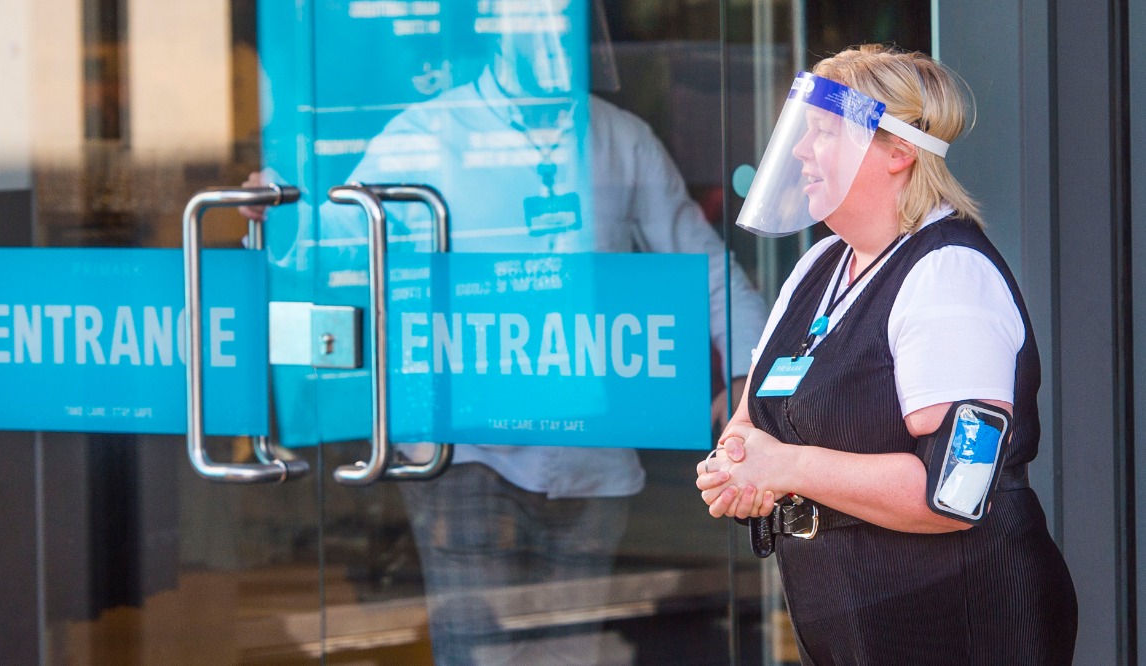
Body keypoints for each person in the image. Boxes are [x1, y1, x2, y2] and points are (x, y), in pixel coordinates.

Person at [243, 3, 768, 662]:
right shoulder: (426, 134)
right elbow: (349, 241)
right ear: (497, 30)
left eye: (562, 22)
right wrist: (280, 219)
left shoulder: (619, 137)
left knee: (570, 651)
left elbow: (704, 268)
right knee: (478, 653)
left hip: (590, 460)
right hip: (467, 457)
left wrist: (750, 379)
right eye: (534, 21)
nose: (552, 36)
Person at [696, 45, 1077, 664]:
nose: (798, 151)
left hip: (962, 624)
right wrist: (736, 467)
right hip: (855, 624)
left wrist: (783, 469)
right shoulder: (821, 265)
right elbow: (751, 420)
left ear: (899, 152)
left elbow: (954, 492)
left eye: (824, 133)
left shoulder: (949, 274)